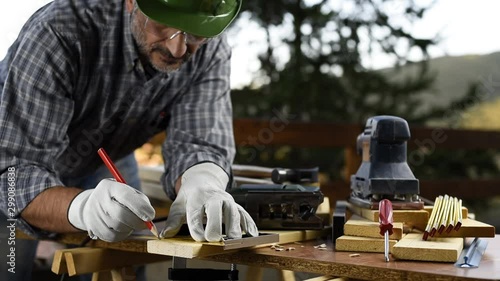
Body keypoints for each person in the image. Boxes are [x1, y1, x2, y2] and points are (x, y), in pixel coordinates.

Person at [0, 0, 258, 280]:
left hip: (105, 160)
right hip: (11, 161)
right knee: (11, 269)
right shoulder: (59, 30)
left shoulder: (211, 47)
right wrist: (82, 209)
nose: (178, 49)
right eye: (163, 26)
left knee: (125, 261)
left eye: (194, 34)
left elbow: (199, 141)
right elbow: (14, 173)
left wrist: (203, 181)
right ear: (131, 2)